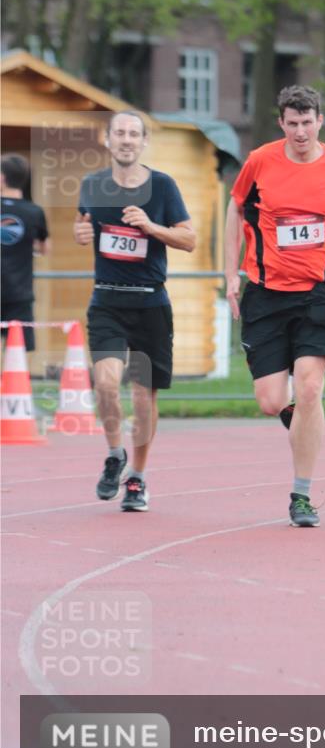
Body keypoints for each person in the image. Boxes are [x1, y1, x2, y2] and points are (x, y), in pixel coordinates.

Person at [224, 85, 325, 528]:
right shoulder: (259, 163)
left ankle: (301, 495)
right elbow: (234, 212)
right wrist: (231, 273)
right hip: (266, 293)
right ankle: (301, 420)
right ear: (281, 124)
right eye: (293, 123)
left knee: (310, 389)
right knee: (272, 401)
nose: (301, 131)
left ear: (320, 121)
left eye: (308, 123)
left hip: (318, 292)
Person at [73, 111, 195, 512]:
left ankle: (138, 479)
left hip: (149, 302)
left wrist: (151, 227)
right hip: (107, 300)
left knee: (143, 397)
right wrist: (81, 233)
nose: (126, 140)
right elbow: (84, 224)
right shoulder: (92, 186)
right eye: (119, 133)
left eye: (133, 134)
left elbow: (189, 239)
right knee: (106, 384)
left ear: (143, 143)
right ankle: (114, 454)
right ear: (106, 140)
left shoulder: (162, 186)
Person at [1, 154, 50, 352]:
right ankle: (12, 383)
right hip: (20, 291)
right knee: (16, 348)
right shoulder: (34, 212)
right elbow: (44, 248)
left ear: (2, 178)